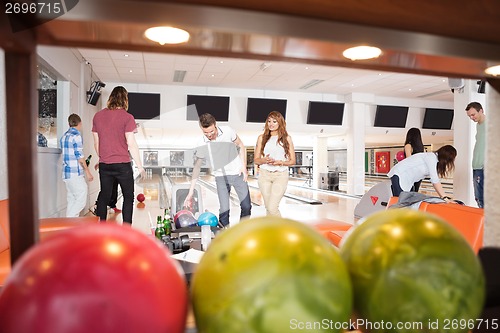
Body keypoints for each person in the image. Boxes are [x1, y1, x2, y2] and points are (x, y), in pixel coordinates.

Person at [184, 113, 251, 227]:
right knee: (224, 210)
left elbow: (241, 145)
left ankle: (242, 230)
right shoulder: (201, 143)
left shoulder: (228, 131)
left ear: (215, 125)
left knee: (246, 206)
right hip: (220, 177)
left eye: (211, 131)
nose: (209, 135)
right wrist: (190, 192)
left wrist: (243, 166)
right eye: (206, 132)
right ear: (201, 129)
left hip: (237, 173)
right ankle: (224, 235)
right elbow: (197, 168)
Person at [92, 86, 145, 224]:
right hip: (122, 165)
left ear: (111, 98)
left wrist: (102, 158)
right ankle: (127, 229)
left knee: (104, 196)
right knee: (128, 197)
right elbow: (131, 144)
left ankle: (101, 227)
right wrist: (140, 167)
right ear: (125, 99)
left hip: (105, 165)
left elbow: (96, 144)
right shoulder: (127, 117)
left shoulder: (98, 116)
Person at [254, 111, 295, 216]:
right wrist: (264, 160)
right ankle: (271, 232)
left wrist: (280, 162)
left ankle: (281, 232)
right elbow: (256, 160)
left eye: (274, 121)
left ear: (280, 123)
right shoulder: (261, 138)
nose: (271, 124)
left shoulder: (287, 138)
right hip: (264, 175)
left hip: (280, 175)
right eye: (269, 121)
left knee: (272, 208)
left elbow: (292, 161)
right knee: (268, 207)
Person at [388, 145, 456, 199]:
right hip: (400, 174)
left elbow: (435, 179)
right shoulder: (431, 157)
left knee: (407, 203)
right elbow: (434, 180)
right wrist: (444, 197)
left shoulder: (435, 160)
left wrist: (444, 196)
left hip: (407, 180)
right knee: (401, 203)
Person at [60, 114, 94, 217]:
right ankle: (69, 221)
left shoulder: (64, 136)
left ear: (69, 123)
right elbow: (80, 157)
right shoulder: (76, 136)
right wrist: (88, 172)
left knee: (72, 199)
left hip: (66, 174)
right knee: (81, 197)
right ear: (80, 123)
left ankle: (70, 226)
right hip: (75, 173)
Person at [465, 102, 486, 208]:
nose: (471, 118)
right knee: (479, 198)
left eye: (473, 115)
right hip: (477, 166)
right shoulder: (479, 125)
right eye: (469, 116)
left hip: (485, 167)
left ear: (481, 111)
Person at [403, 127, 425, 192]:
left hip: (411, 172)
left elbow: (409, 160)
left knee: (408, 192)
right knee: (415, 191)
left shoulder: (408, 145)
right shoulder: (421, 147)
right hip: (419, 172)